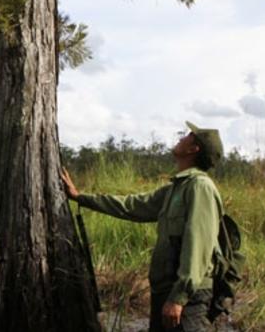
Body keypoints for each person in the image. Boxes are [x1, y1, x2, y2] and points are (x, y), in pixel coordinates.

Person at [61, 122, 225, 332]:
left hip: (187, 299)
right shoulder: (177, 188)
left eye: (188, 136)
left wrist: (178, 298)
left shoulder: (200, 187)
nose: (182, 137)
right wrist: (80, 197)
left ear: (194, 149)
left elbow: (198, 247)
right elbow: (132, 206)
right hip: (165, 292)